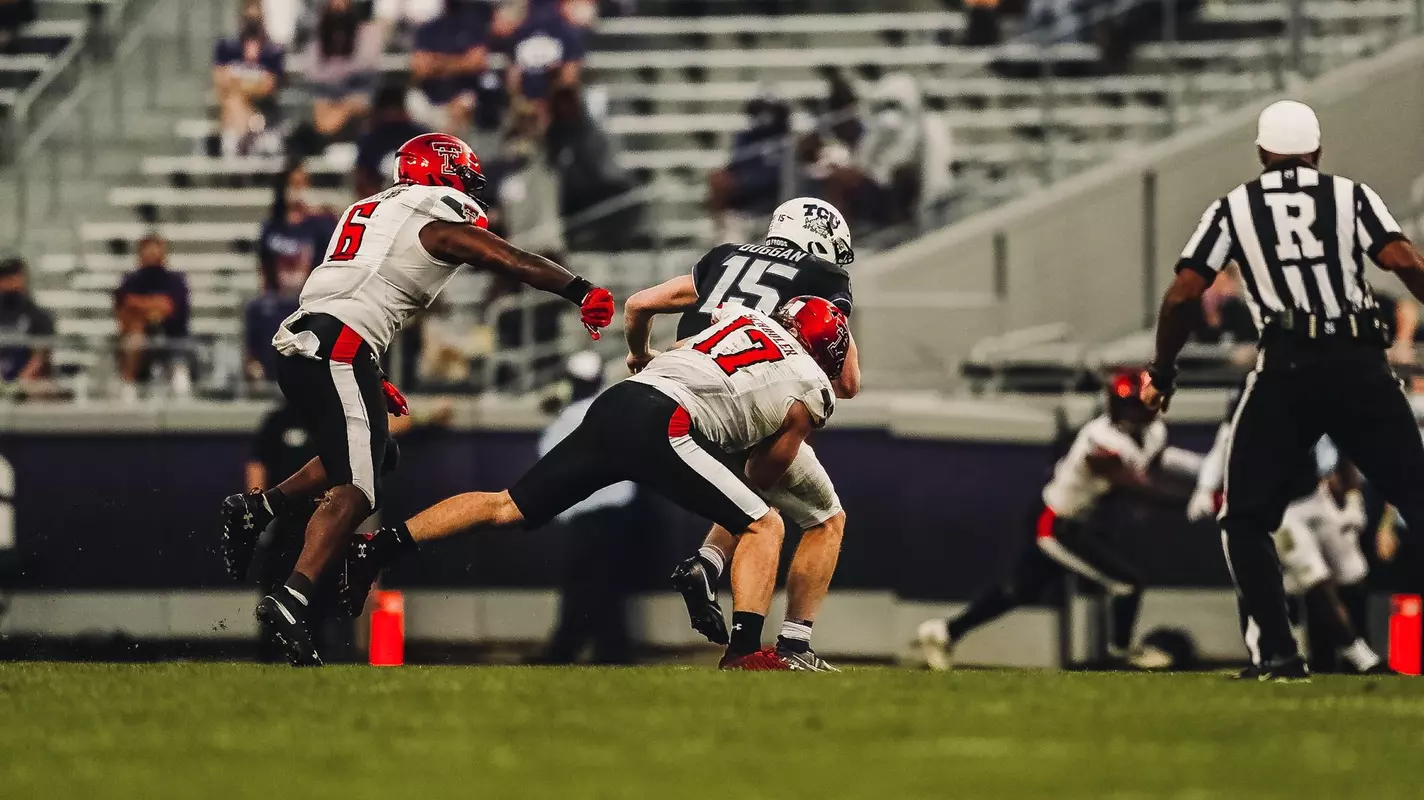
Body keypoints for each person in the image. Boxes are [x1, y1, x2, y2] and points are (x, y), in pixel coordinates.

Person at [218, 132, 615, 666]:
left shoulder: (372, 209)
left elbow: (350, 288)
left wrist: (367, 366)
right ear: (439, 175)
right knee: (359, 487)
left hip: (316, 340)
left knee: (379, 454)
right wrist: (578, 289)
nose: (472, 191)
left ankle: (258, 509)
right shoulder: (429, 216)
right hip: (337, 345)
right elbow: (503, 256)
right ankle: (292, 599)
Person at [338, 297, 850, 672]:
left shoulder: (743, 317)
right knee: (764, 523)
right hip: (666, 422)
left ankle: (376, 547)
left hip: (623, 398)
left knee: (506, 505)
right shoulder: (811, 381)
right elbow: (764, 472)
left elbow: (660, 321)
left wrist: (643, 356)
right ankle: (743, 652)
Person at [1141, 99, 1424, 681]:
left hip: (1287, 368)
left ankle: (1276, 652)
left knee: (1244, 518)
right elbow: (1404, 261)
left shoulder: (1233, 208)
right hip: (1358, 363)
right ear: (1317, 152)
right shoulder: (1350, 195)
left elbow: (1180, 296)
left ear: (1262, 153)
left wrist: (1164, 373)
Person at [623, 197, 859, 670]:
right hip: (750, 399)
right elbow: (848, 381)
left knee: (753, 502)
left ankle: (707, 565)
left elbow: (637, 304)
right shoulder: (825, 277)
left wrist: (641, 356)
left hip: (680, 399)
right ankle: (793, 645)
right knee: (823, 518)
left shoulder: (724, 256)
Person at [917, 370, 1170, 670]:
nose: (1130, 412)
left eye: (1135, 404)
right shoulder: (1100, 438)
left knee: (1019, 590)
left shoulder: (1154, 435)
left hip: (1080, 521)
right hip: (1057, 523)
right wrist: (1193, 498)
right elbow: (1135, 485)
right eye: (1125, 404)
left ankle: (943, 632)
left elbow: (1154, 473)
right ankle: (1122, 653)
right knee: (1126, 583)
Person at [1191, 414, 1388, 675]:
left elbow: (1344, 446)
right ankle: (1361, 657)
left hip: (1317, 497)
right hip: (1281, 511)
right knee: (1316, 581)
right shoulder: (1255, 403)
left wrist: (1353, 500)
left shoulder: (1310, 398)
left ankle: (1342, 655)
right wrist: (1205, 488)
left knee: (1353, 575)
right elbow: (1223, 447)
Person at [539, 351, 639, 665]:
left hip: (590, 514)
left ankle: (567, 650)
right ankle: (609, 651)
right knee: (607, 583)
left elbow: (548, 458)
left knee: (582, 583)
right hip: (618, 511)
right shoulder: (613, 411)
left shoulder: (572, 416)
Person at [708, 88, 793, 243]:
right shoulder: (744, 138)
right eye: (761, 110)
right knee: (718, 179)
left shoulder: (787, 139)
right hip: (745, 201)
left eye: (770, 111)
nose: (765, 116)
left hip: (776, 200)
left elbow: (783, 175)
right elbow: (736, 166)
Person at [114, 235, 191, 402]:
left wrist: (140, 306)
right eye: (147, 247)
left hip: (173, 338)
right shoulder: (130, 281)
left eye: (155, 247)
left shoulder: (176, 280)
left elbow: (170, 308)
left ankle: (182, 397)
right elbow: (125, 308)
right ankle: (128, 385)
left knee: (180, 368)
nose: (151, 252)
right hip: (140, 340)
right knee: (133, 338)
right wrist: (153, 308)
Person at [213, 2, 286, 158]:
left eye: (257, 17)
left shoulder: (274, 51)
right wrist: (252, 83)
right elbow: (220, 81)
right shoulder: (226, 47)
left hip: (264, 108)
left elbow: (268, 86)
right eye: (249, 17)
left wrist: (236, 82)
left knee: (234, 100)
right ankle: (242, 145)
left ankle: (240, 148)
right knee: (232, 101)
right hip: (233, 109)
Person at [408, 0, 493, 134]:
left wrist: (437, 63)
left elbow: (477, 62)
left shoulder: (473, 27)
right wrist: (460, 62)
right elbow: (420, 67)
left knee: (465, 103)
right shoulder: (428, 28)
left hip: (464, 93)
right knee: (412, 101)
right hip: (432, 97)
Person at [304, 0, 381, 139]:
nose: (338, 8)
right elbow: (313, 70)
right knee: (322, 115)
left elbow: (366, 64)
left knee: (342, 112)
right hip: (327, 88)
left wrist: (337, 72)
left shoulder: (367, 30)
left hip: (358, 87)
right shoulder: (320, 32)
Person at [259, 163, 339, 297]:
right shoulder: (272, 226)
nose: (299, 190)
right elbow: (264, 268)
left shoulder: (321, 223)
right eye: (294, 184)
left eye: (303, 184)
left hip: (311, 299)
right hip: (278, 299)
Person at [504, 0, 587, 107]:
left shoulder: (567, 34)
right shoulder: (520, 32)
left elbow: (569, 78)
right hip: (527, 103)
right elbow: (513, 76)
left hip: (552, 103)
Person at [354, 85, 430, 199]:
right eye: (388, 110)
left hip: (417, 195)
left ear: (403, 110)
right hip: (380, 197)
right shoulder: (371, 138)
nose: (391, 114)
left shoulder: (420, 135)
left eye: (395, 109)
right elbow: (362, 176)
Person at [0, 257, 54, 388]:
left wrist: (19, 383)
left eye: (14, 277)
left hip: (28, 383)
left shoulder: (38, 316)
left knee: (42, 388)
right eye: (5, 278)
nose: (10, 283)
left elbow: (41, 356)